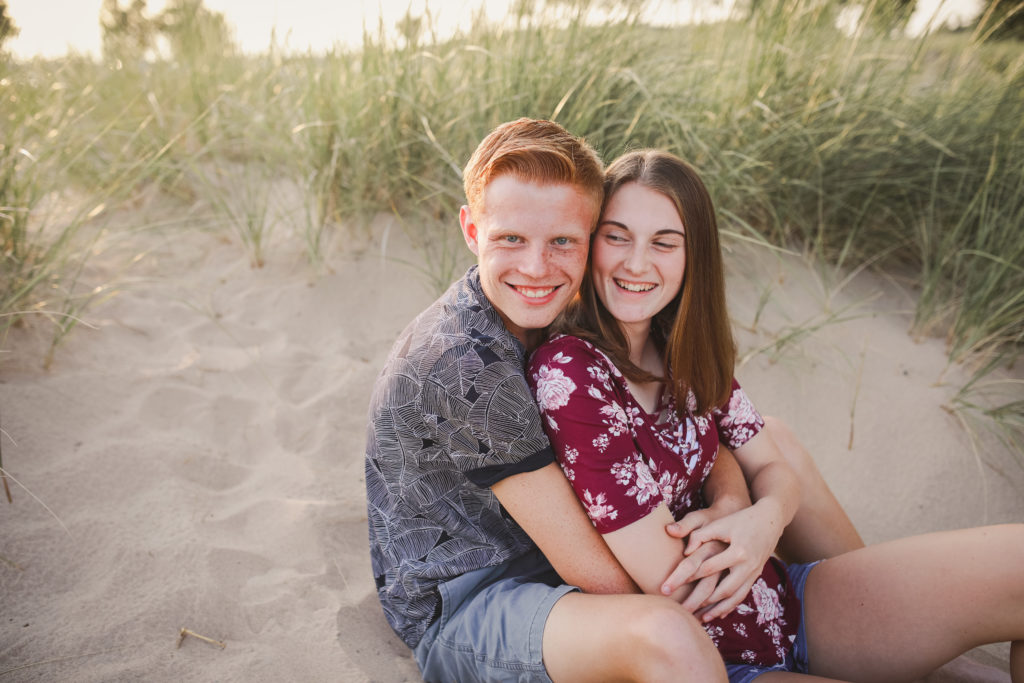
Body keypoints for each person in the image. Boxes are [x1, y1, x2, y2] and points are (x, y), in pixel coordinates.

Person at [366, 118, 863, 682]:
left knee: (776, 443)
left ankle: (864, 619)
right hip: (476, 595)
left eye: (562, 241)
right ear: (472, 231)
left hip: (558, 558)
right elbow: (598, 574)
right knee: (666, 632)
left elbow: (706, 428)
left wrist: (734, 506)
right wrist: (738, 615)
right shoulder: (465, 365)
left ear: (587, 238)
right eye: (510, 239)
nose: (535, 267)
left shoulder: (571, 308)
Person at [526, 148, 1024, 682]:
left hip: (792, 602)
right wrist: (745, 509)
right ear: (589, 241)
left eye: (664, 243)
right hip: (719, 656)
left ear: (694, 256)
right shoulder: (570, 374)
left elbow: (775, 465)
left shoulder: (684, 348)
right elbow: (674, 581)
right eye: (616, 236)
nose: (636, 263)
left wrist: (763, 523)